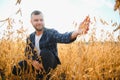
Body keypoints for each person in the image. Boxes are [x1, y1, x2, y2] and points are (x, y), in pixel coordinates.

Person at [12, 10, 90, 79]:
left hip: (50, 61)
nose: (39, 22)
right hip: (36, 62)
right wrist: (32, 61)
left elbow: (63, 37)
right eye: (36, 20)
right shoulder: (30, 37)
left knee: (44, 52)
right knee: (16, 68)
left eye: (41, 20)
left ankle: (45, 75)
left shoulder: (51, 33)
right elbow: (27, 53)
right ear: (31, 22)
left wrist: (77, 32)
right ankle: (35, 72)